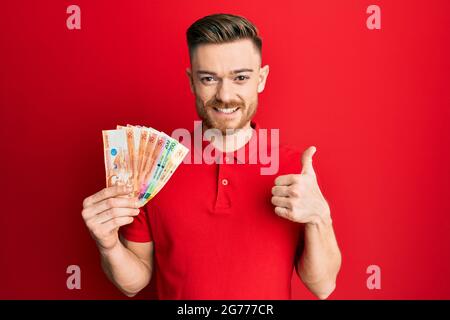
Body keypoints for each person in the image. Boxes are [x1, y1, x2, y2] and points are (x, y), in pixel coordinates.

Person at [81, 13, 341, 299]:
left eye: (240, 77)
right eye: (209, 79)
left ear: (261, 79)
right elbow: (134, 282)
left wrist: (320, 217)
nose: (225, 95)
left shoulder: (295, 169)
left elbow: (323, 285)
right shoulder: (156, 166)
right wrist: (108, 246)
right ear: (192, 81)